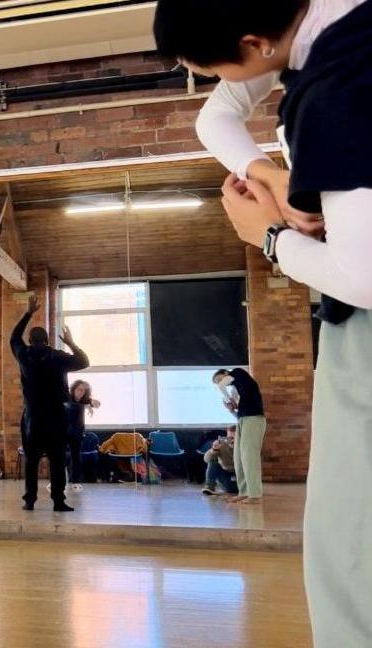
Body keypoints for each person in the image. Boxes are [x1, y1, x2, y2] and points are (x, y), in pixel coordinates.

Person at [155, 3, 372, 643]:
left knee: (347, 547)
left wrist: (269, 237)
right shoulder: (331, 19)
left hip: (362, 336)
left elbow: (363, 277)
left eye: (208, 66)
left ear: (253, 44)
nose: (211, 80)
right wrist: (267, 169)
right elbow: (216, 115)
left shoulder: (337, 89)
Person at [11, 295, 90, 511]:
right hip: (56, 417)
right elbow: (84, 362)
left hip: (33, 418)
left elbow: (13, 338)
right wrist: (71, 343)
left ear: (31, 339)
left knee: (32, 460)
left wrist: (28, 312)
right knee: (56, 459)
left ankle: (29, 500)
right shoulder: (57, 356)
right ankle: (58, 500)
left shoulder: (24, 355)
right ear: (47, 341)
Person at [212, 368, 266, 504]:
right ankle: (244, 492)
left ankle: (254, 495)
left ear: (225, 374)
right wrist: (232, 409)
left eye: (219, 379)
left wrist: (222, 386)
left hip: (254, 419)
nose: (219, 383)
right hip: (243, 420)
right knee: (239, 458)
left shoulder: (238, 373)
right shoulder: (237, 389)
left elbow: (227, 381)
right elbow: (240, 414)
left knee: (249, 457)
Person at [64, 380, 101, 492]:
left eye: (83, 390)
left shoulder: (85, 400)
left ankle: (75, 482)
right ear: (74, 389)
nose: (81, 392)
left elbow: (98, 404)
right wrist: (86, 406)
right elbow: (72, 406)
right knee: (60, 458)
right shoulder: (67, 398)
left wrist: (91, 402)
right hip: (63, 432)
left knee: (76, 457)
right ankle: (56, 482)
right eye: (79, 389)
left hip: (77, 433)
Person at [202, 426, 239, 496]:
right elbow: (206, 459)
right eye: (230, 436)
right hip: (225, 477)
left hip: (239, 478)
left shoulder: (243, 445)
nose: (231, 438)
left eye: (234, 436)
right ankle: (209, 486)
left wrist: (236, 447)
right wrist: (214, 450)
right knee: (213, 462)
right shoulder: (221, 444)